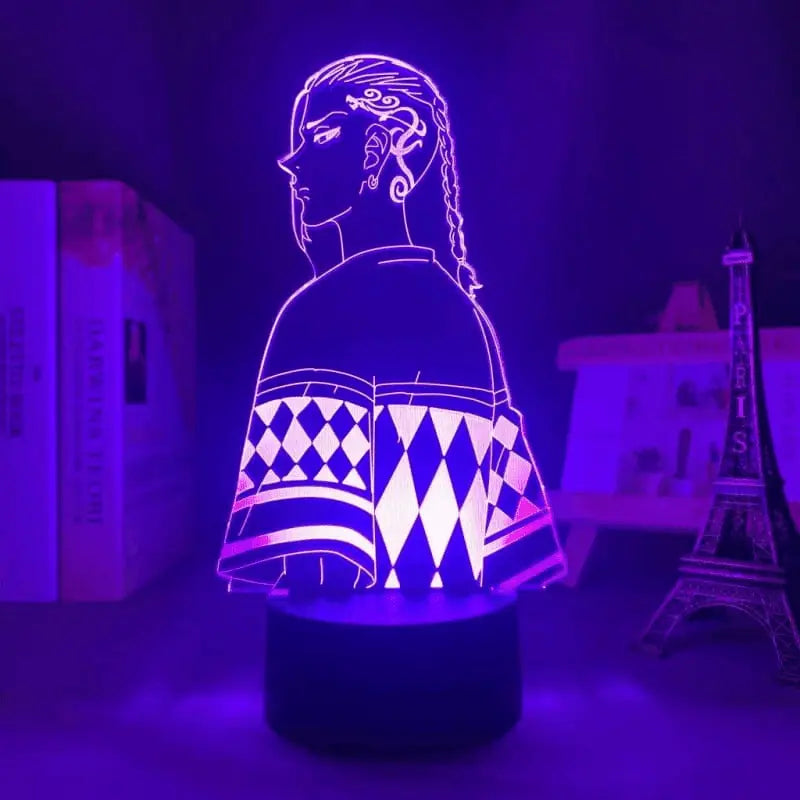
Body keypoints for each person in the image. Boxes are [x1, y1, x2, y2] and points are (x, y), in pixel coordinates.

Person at [217, 54, 567, 597]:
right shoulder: (468, 317)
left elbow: (309, 557)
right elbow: (512, 550)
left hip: (344, 640)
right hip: (458, 631)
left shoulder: (316, 315)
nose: (292, 162)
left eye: (321, 136)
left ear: (377, 149)